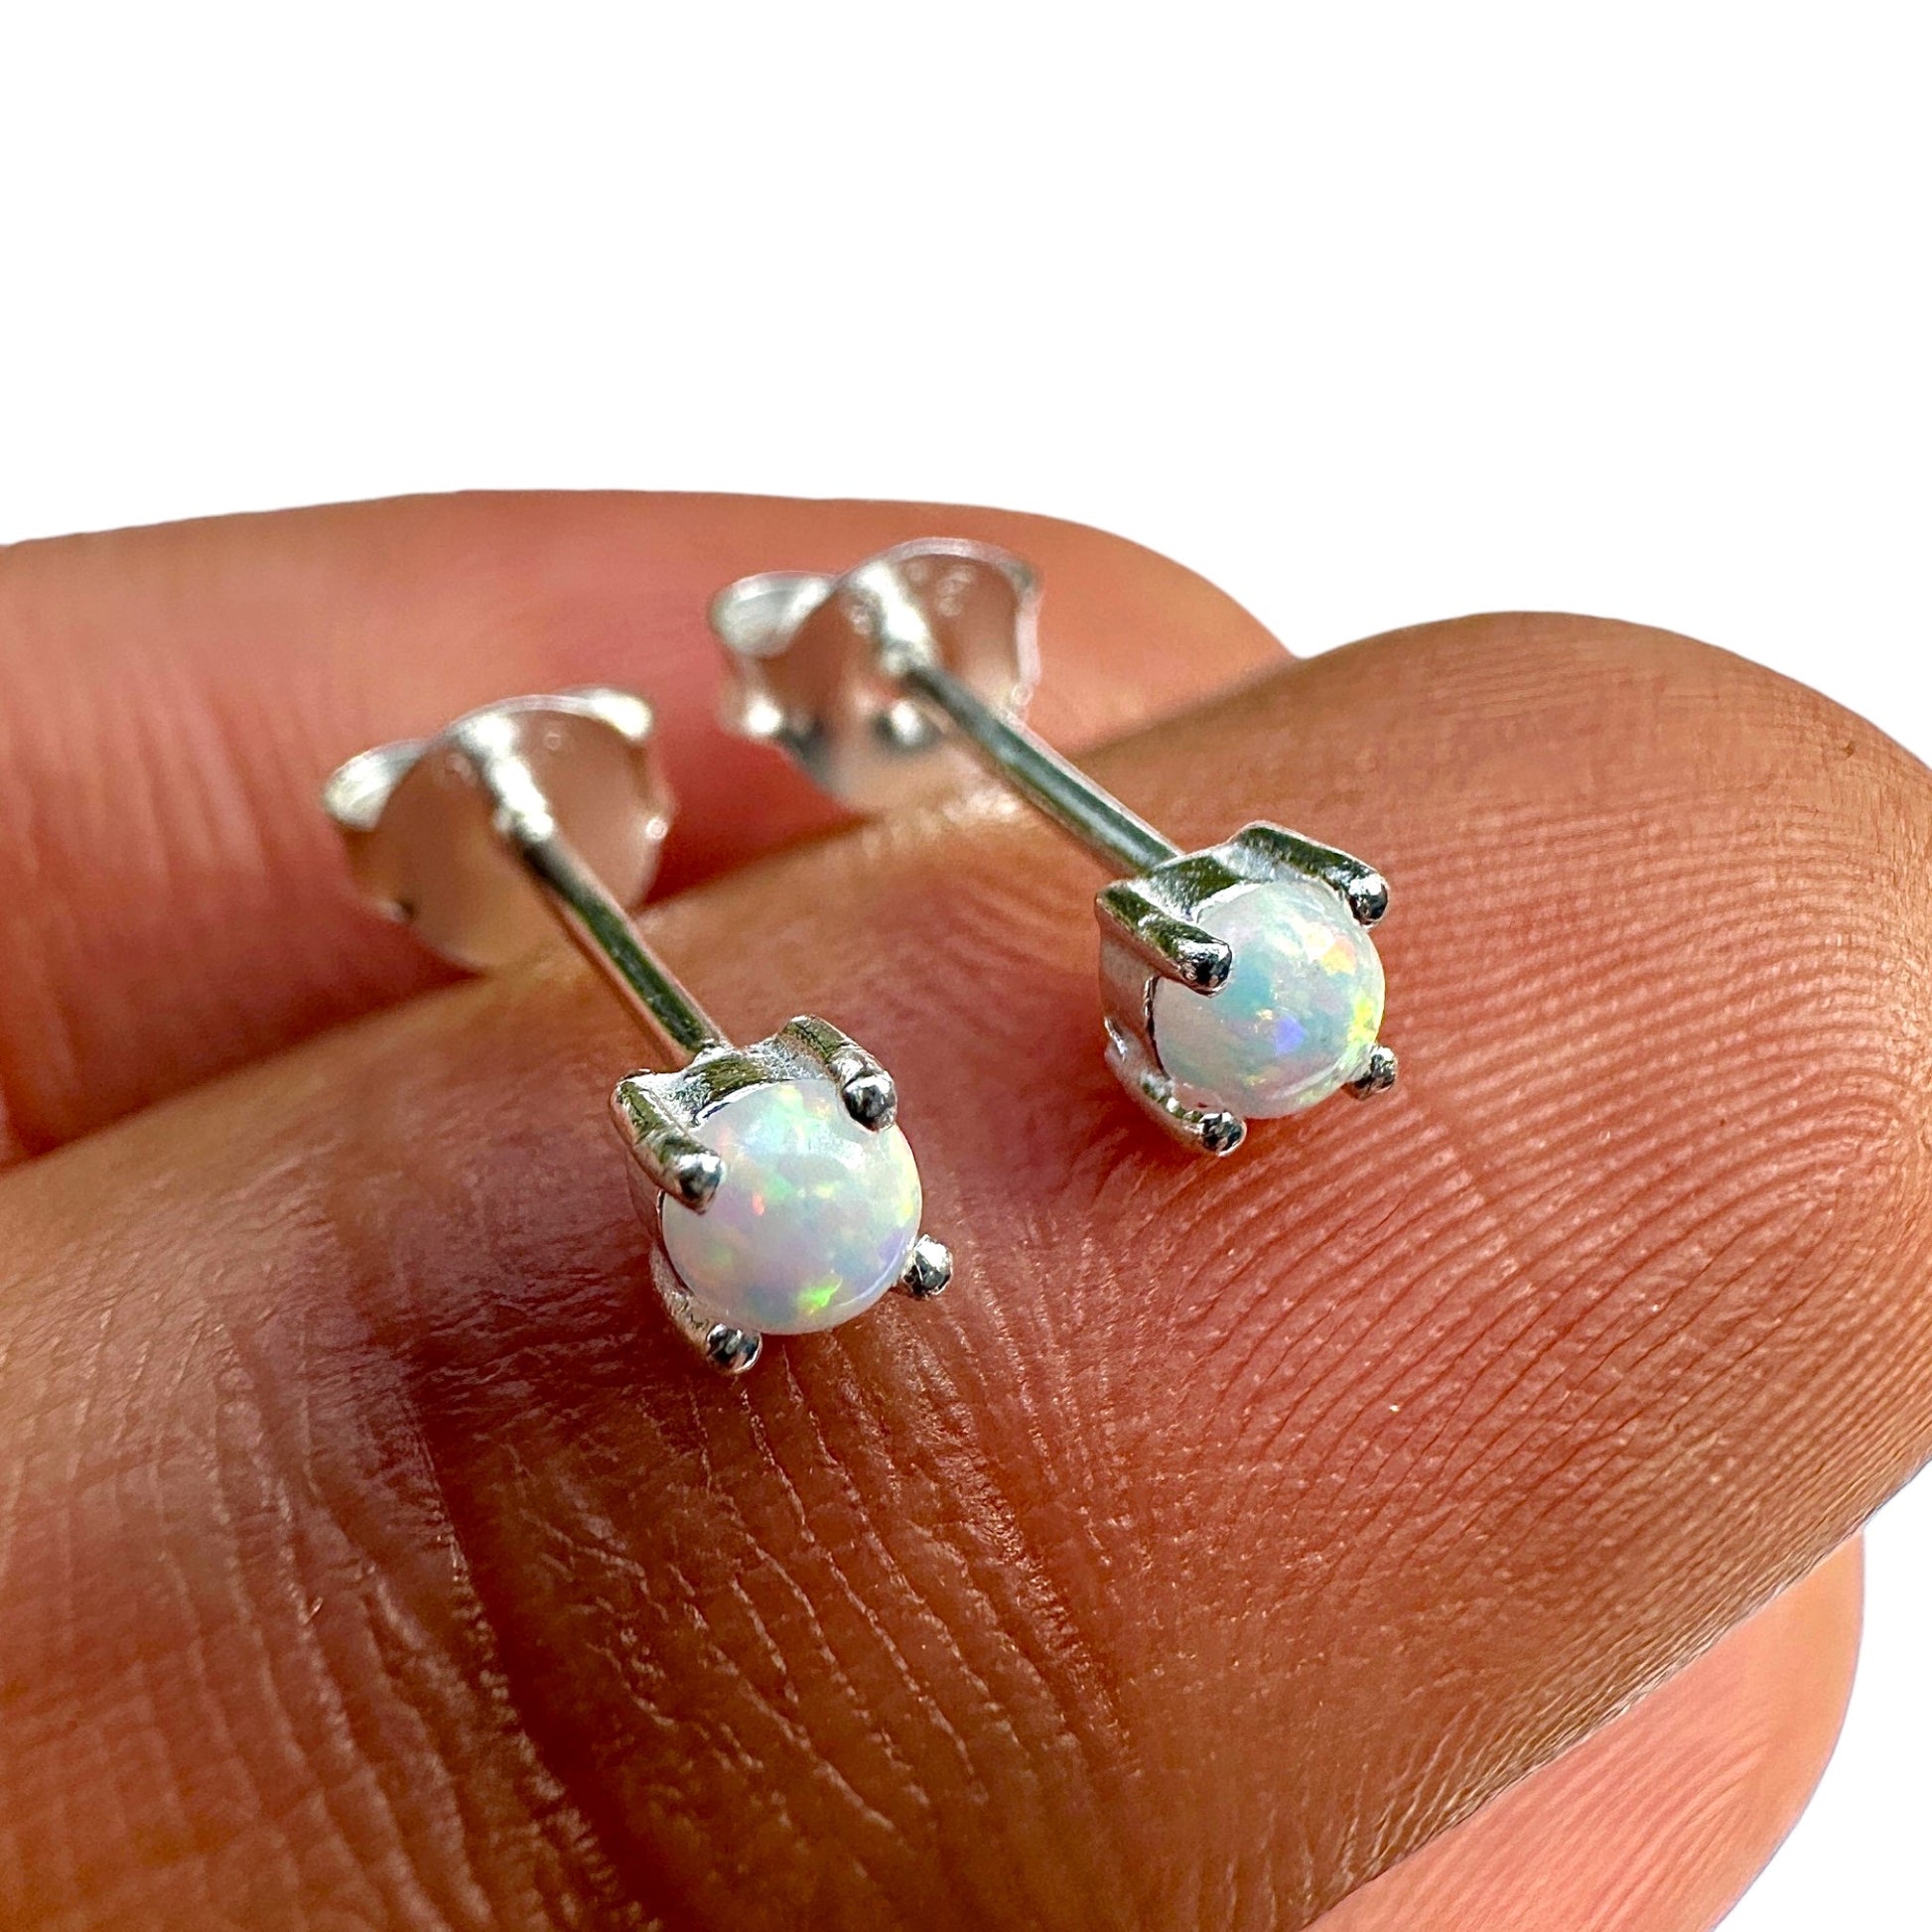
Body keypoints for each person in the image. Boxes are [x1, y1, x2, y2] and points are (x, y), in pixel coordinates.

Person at [0, 491, 1910, 1929]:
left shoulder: (1126, 972)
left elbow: (947, 1059)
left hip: (989, 1097)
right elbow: (805, 1099)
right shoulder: (760, 1122)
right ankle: (605, 815)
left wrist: (1182, 1054)